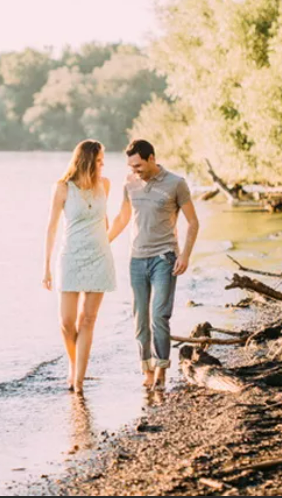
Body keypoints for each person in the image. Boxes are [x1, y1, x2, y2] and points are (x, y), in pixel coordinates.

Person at [108, 139, 199, 391]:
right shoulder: (130, 183)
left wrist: (185, 255)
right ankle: (146, 369)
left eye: (138, 165)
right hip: (136, 259)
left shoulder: (176, 183)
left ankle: (161, 369)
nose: (134, 170)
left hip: (164, 258)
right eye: (131, 166)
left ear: (151, 158)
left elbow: (193, 222)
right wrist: (104, 242)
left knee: (159, 315)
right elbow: (122, 218)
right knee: (140, 318)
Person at [43, 140, 116, 395]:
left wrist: (102, 241)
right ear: (86, 161)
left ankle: (79, 380)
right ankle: (74, 363)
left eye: (103, 161)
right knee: (66, 322)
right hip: (70, 258)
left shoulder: (105, 185)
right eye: (98, 161)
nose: (102, 165)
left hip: (99, 258)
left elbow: (104, 221)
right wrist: (46, 267)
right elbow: (51, 228)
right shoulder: (62, 188)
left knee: (88, 320)